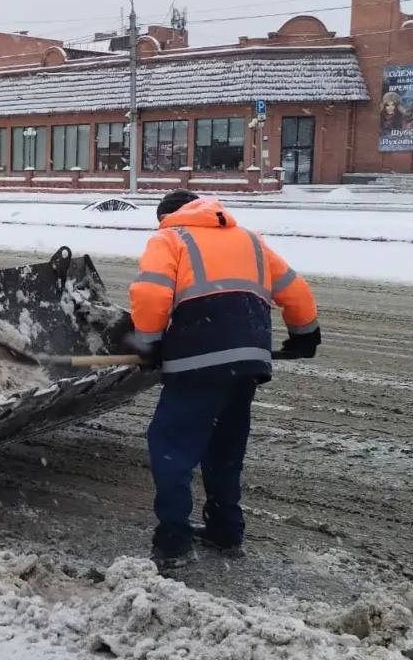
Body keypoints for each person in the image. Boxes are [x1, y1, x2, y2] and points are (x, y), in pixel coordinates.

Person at [127, 189, 320, 569]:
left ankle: (173, 542)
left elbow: (151, 294)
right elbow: (295, 289)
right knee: (225, 447)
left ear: (166, 215)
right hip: (248, 361)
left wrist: (148, 344)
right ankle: (225, 530)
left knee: (171, 447)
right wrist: (304, 334)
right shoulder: (248, 238)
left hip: (199, 358)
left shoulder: (169, 237)